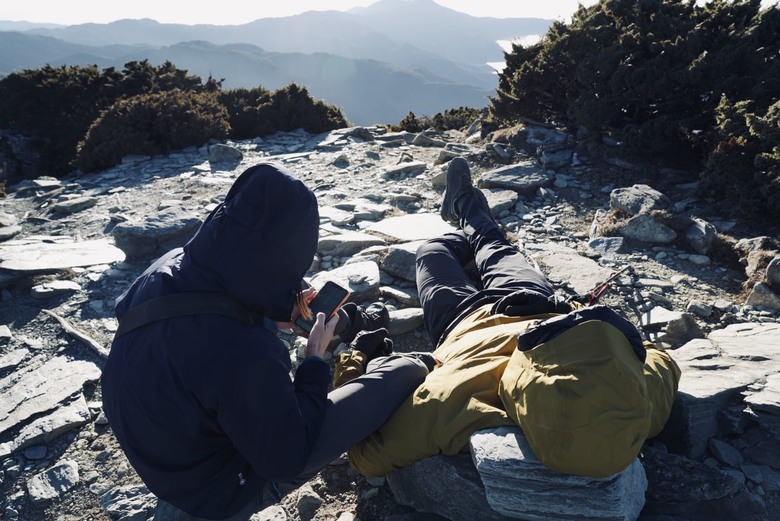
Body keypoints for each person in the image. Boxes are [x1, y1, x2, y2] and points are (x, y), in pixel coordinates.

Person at [101, 163, 431, 521]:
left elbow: (203, 318)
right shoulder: (245, 350)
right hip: (220, 490)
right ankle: (416, 365)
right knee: (404, 370)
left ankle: (358, 332)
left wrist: (274, 305)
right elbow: (285, 460)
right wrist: (315, 363)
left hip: (160, 457)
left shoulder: (168, 266)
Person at [346, 157, 682, 479]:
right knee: (493, 247)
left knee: (434, 252)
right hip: (538, 302)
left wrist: (355, 356)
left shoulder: (452, 402)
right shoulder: (638, 405)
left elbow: (363, 455)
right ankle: (469, 213)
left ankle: (470, 223)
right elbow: (661, 357)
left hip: (463, 321)